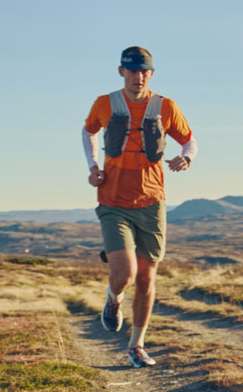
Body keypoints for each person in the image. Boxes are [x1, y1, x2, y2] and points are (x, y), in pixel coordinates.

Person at [82, 46, 196, 368]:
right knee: (126, 272)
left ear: (152, 74)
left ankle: (137, 345)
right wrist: (92, 167)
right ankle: (113, 298)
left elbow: (189, 140)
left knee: (147, 277)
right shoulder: (106, 104)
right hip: (113, 200)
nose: (138, 76)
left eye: (144, 71)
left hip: (151, 201)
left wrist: (186, 158)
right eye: (132, 70)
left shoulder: (165, 106)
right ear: (121, 72)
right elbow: (87, 131)